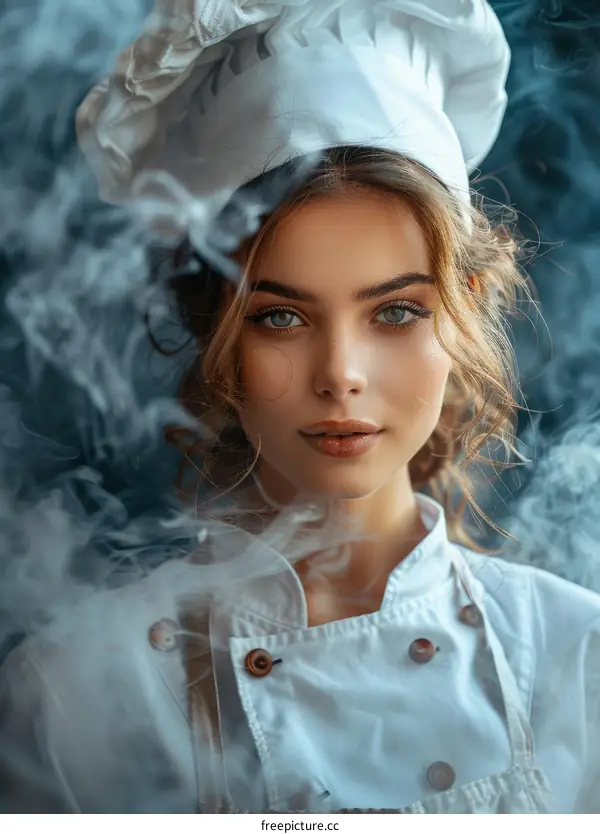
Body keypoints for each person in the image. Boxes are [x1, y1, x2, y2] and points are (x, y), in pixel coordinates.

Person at [1, 0, 600, 815]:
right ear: (217, 331)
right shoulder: (78, 698)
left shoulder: (580, 658)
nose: (341, 375)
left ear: (463, 311)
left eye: (396, 311)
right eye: (281, 316)